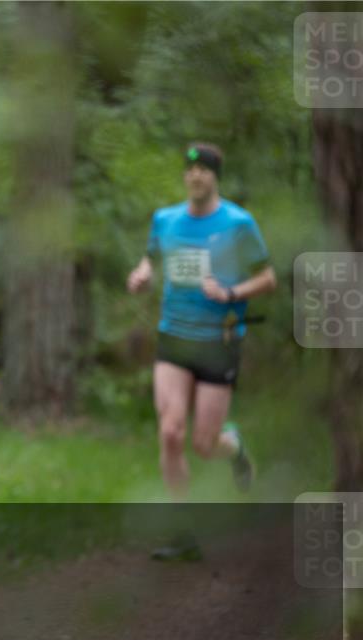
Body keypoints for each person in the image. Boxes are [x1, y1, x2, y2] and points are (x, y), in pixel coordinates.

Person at [127, 143, 276, 512]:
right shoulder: (165, 220)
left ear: (215, 177)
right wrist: (142, 275)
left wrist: (229, 293)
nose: (195, 175)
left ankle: (234, 447)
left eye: (204, 170)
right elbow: (150, 260)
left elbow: (268, 279)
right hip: (174, 338)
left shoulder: (238, 224)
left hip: (217, 342)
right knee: (170, 432)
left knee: (204, 445)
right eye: (190, 169)